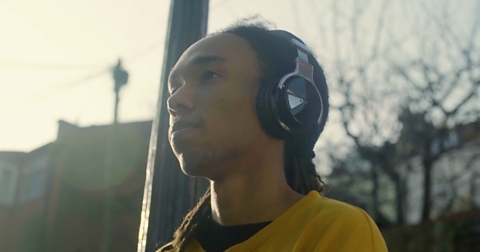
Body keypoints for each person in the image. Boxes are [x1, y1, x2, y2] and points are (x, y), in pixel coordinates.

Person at [158, 17, 388, 252]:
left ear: (287, 103)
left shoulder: (337, 229)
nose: (174, 101)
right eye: (174, 88)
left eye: (209, 75)